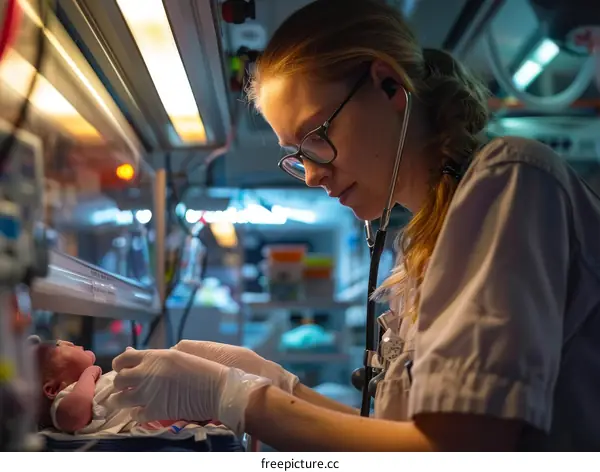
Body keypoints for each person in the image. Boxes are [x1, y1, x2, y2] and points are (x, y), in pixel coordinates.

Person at [109, 0, 600, 451]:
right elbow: (398, 442)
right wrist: (278, 384)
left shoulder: (510, 183)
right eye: (297, 156)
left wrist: (237, 399)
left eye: (316, 137)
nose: (313, 174)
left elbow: (455, 452)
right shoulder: (429, 245)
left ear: (388, 86)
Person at [34, 340, 209, 435]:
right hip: (150, 412)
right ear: (52, 389)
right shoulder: (64, 400)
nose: (67, 342)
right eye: (58, 346)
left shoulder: (93, 385)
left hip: (159, 396)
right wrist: (90, 373)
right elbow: (74, 416)